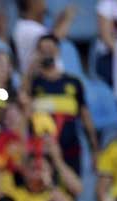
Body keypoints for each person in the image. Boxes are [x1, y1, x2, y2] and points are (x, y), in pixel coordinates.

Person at [26, 34, 99, 177]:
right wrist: (30, 70)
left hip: (70, 147)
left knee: (72, 185)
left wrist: (94, 148)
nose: (47, 53)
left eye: (50, 49)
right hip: (42, 149)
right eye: (43, 50)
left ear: (58, 51)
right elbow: (22, 104)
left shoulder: (74, 82)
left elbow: (85, 117)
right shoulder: (33, 83)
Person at [13, 0, 75, 73]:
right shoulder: (25, 27)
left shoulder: (32, 26)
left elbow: (50, 36)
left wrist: (59, 21)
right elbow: (52, 42)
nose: (44, 3)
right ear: (31, 2)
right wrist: (68, 18)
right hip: (38, 81)